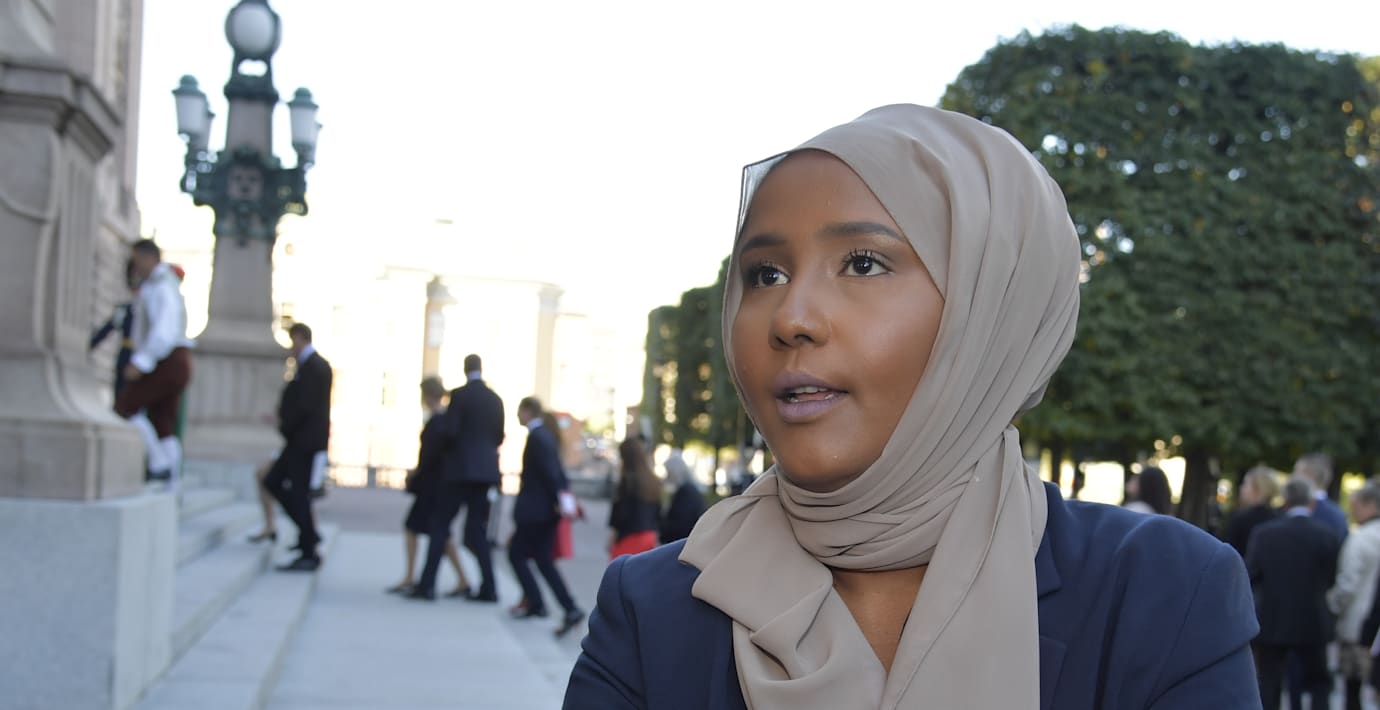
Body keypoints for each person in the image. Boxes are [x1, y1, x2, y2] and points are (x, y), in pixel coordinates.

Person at [564, 105, 1259, 708]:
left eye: (863, 263)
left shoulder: (1164, 594)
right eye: (764, 274)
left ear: (992, 311)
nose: (791, 317)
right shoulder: (649, 607)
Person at [409, 354, 503, 601]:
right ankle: (489, 587)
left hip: (459, 472)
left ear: (465, 369)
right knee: (477, 531)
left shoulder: (459, 396)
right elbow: (498, 436)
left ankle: (427, 585)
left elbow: (451, 431)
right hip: (485, 473)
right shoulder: (495, 399)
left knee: (440, 525)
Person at [1246, 476, 1341, 710]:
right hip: (1313, 618)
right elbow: (1331, 577)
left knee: (1269, 681)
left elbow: (1252, 574)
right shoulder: (1326, 535)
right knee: (1319, 683)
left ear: (1285, 501)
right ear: (1311, 503)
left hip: (1274, 617)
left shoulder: (1264, 534)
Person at [113, 239, 194, 485]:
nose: (136, 267)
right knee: (163, 421)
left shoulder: (161, 286)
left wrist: (141, 362)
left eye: (137, 260)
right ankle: (172, 479)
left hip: (167, 359)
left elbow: (163, 331)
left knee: (126, 406)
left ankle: (160, 465)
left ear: (149, 258)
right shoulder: (160, 284)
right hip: (174, 359)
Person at [389, 377, 472, 597]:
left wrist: (415, 473)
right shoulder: (445, 420)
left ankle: (412, 576)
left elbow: (429, 456)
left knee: (418, 528)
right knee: (440, 534)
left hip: (432, 486)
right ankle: (462, 579)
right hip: (439, 485)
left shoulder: (439, 421)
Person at [509, 396, 585, 637]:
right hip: (543, 510)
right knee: (542, 560)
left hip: (537, 511)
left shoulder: (538, 437)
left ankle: (542, 603)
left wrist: (560, 502)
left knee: (517, 554)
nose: (517, 416)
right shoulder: (544, 436)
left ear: (528, 411)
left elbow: (551, 474)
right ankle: (565, 606)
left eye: (519, 411)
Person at [264, 323, 332, 572]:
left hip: (304, 442)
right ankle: (308, 537)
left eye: (292, 340)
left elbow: (305, 407)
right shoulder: (308, 366)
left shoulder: (315, 367)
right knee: (274, 482)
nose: (290, 347)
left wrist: (285, 424)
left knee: (297, 492)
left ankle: (309, 545)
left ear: (301, 338)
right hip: (299, 441)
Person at [1329, 483, 1380, 710]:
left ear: (1370, 505)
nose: (1351, 511)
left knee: (1353, 688)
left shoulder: (1360, 539)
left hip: (1357, 624)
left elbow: (1347, 583)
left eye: (1355, 505)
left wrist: (1333, 606)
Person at [608, 437, 662, 558]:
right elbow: (658, 512)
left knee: (621, 568)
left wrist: (612, 539)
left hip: (629, 538)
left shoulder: (627, 481)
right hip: (649, 537)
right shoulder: (652, 481)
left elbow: (620, 515)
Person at [1220, 466, 1282, 557]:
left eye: (1246, 484)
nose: (1241, 488)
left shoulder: (1239, 519)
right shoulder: (1280, 518)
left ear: (1259, 489)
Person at [1296, 452, 1348, 542]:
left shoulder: (1294, 509)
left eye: (1296, 472)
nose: (1293, 477)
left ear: (1309, 474)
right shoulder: (1338, 514)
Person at [659, 450, 706, 544]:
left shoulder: (685, 493)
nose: (667, 476)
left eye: (669, 473)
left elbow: (680, 525)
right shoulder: (689, 491)